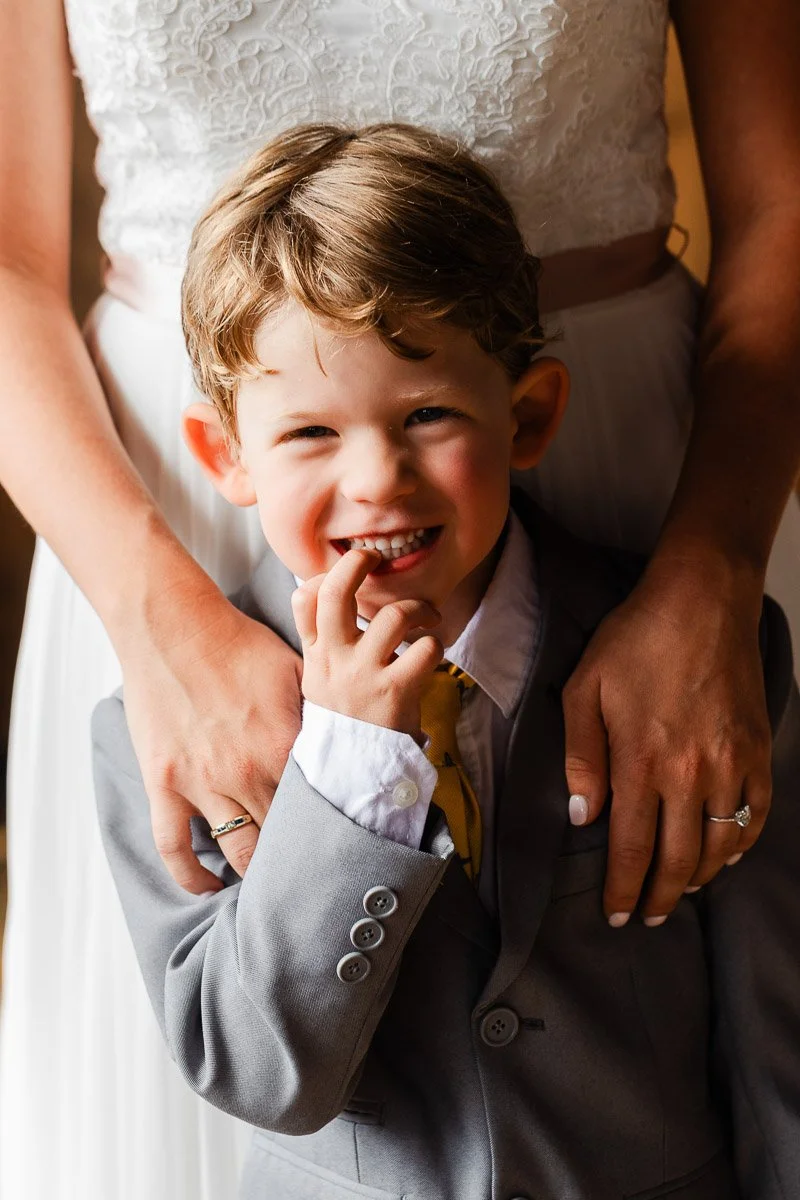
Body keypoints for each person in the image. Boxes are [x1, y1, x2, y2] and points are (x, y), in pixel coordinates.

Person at [2, 4, 799, 1199]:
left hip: (652, 461)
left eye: (415, 427)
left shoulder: (630, 601)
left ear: (529, 416)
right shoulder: (129, 723)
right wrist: (166, 629)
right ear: (227, 454)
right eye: (326, 441)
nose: (376, 480)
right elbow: (256, 1060)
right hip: (162, 517)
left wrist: (712, 566)